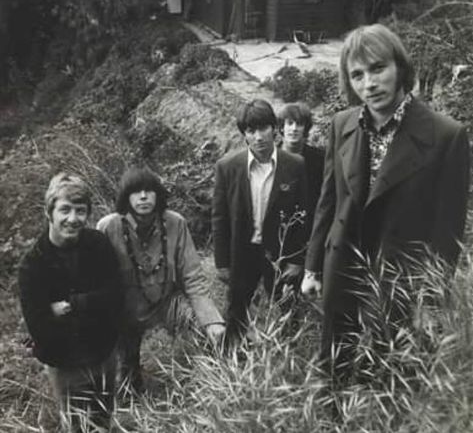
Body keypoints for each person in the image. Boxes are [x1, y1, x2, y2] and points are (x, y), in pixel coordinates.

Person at [301, 23, 470, 381]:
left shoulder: (446, 136)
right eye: (357, 75)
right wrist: (313, 266)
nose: (369, 84)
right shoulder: (341, 124)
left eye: (378, 69)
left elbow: (447, 229)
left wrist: (432, 298)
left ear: (400, 68)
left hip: (401, 274)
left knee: (394, 368)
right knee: (334, 362)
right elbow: (328, 200)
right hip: (344, 260)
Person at [97, 166, 225, 393]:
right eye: (136, 192)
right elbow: (97, 281)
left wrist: (212, 321)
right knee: (127, 379)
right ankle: (132, 386)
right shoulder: (109, 227)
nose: (144, 197)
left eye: (149, 191)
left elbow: (193, 277)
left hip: (166, 302)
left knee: (205, 331)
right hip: (125, 309)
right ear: (126, 197)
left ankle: (207, 383)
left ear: (158, 194)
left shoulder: (176, 223)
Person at [18, 173, 122, 432]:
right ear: (49, 211)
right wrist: (94, 307)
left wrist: (71, 305)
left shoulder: (98, 244)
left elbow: (116, 296)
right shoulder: (33, 264)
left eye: (81, 211)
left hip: (104, 353)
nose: (73, 219)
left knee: (103, 421)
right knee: (76, 426)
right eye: (65, 209)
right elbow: (40, 327)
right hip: (66, 363)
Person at [212, 99, 308, 344]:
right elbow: (220, 218)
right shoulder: (228, 167)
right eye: (251, 131)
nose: (258, 137)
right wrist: (222, 262)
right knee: (236, 313)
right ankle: (232, 362)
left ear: (274, 128)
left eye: (263, 128)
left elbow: (304, 215)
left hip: (280, 254)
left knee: (287, 311)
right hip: (243, 253)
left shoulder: (295, 165)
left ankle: (288, 360)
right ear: (244, 135)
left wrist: (297, 260)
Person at [278, 102, 325, 232]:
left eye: (299, 124)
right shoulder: (270, 158)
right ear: (282, 127)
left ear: (305, 128)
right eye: (290, 123)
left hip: (310, 230)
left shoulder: (320, 159)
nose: (294, 129)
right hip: (277, 231)